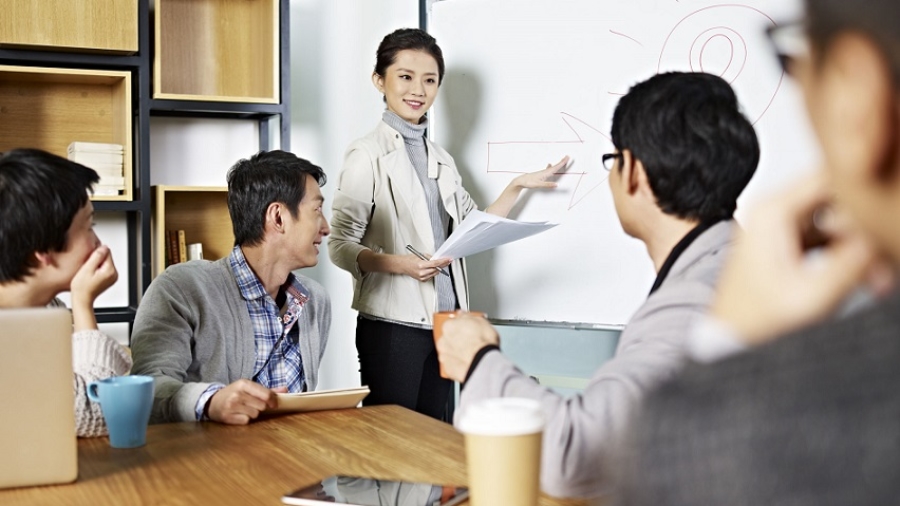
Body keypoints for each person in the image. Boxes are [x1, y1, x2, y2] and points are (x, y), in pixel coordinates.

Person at [611, 1, 900, 504]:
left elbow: (665, 462)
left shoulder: (749, 432)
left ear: (858, 97)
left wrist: (726, 345)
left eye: (796, 58)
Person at [436, 71, 760, 497]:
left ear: (634, 175)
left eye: (613, 161)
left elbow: (577, 455)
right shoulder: (734, 264)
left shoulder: (694, 301)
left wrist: (479, 360)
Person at [328, 27, 566, 421]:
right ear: (379, 80)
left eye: (430, 79)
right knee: (394, 443)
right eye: (405, 76)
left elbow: (473, 226)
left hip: (445, 323)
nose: (417, 89)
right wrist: (399, 264)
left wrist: (516, 186)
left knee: (434, 441)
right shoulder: (366, 154)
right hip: (393, 327)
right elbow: (339, 244)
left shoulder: (440, 157)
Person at [131, 150, 332, 425]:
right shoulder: (181, 288)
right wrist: (212, 401)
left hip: (292, 458)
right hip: (212, 461)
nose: (326, 227)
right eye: (317, 211)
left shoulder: (314, 301)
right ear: (278, 218)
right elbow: (146, 387)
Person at [0, 148, 131, 438]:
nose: (99, 244)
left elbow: (112, 381)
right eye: (89, 227)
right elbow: (100, 414)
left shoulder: (48, 308)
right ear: (43, 252)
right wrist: (83, 304)